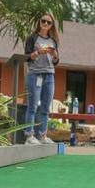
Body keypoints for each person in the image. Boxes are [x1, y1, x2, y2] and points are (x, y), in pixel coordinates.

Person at [23, 13, 60, 145]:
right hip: (35, 75)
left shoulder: (53, 41)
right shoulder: (32, 38)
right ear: (39, 22)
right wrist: (38, 52)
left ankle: (43, 136)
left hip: (49, 75)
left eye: (48, 22)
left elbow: (55, 61)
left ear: (51, 25)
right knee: (32, 106)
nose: (45, 24)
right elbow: (27, 57)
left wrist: (54, 54)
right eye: (43, 21)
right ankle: (29, 136)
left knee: (45, 108)